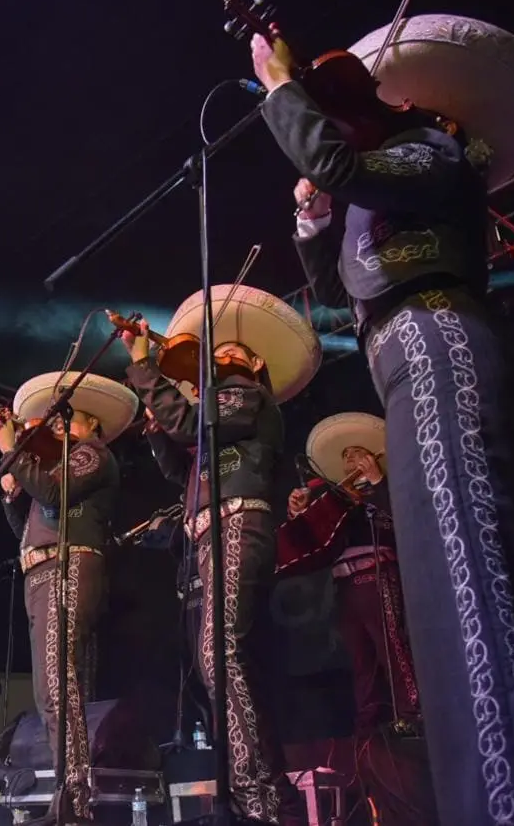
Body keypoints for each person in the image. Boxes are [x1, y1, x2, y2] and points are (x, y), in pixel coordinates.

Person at [251, 13, 514, 824]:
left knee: (468, 555)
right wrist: (312, 223)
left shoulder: (435, 150)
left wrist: (282, 91)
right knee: (458, 554)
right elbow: (341, 295)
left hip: (438, 342)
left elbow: (331, 156)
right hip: (404, 357)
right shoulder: (377, 182)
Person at [122, 283, 321, 826]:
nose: (223, 356)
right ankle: (257, 787)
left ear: (255, 364)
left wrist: (146, 372)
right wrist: (158, 428)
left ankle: (263, 795)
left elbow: (192, 423)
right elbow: (180, 469)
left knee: (220, 651)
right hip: (208, 528)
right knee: (220, 660)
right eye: (220, 353)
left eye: (235, 353)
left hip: (238, 521)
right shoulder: (216, 407)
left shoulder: (245, 394)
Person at [0, 371, 136, 825]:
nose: (57, 430)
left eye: (67, 423)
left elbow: (54, 492)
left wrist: (11, 452)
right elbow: (27, 529)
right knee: (46, 691)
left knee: (58, 679)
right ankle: (67, 789)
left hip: (72, 562)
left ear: (92, 425)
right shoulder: (52, 469)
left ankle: (76, 794)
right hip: (39, 568)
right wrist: (13, 498)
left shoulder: (94, 455)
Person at [286, 413, 419, 737]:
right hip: (343, 583)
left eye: (358, 452)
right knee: (361, 659)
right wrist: (300, 512)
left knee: (392, 647)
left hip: (379, 573)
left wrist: (377, 482)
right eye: (345, 456)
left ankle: (414, 715)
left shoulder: (389, 487)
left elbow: (409, 522)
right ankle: (370, 725)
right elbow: (312, 541)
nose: (351, 459)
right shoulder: (336, 499)